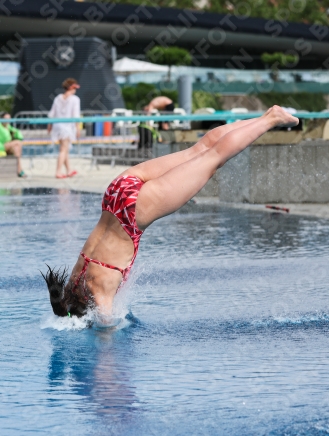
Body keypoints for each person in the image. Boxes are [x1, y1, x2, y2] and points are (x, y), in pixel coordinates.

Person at [42, 106, 299, 321]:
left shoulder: (100, 295)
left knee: (214, 158)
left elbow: (106, 330)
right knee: (199, 150)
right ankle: (266, 116)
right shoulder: (73, 283)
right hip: (115, 194)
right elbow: (62, 310)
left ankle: (272, 119)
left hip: (134, 212)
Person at [48, 77, 81, 179]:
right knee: (63, 149)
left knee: (64, 148)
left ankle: (69, 170)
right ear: (72, 88)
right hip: (66, 127)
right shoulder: (75, 99)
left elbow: (52, 114)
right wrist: (78, 128)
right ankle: (58, 171)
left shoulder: (58, 98)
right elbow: (76, 115)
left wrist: (49, 126)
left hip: (57, 126)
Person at [0, 112, 26, 177]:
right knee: (17, 143)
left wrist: (14, 133)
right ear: (2, 118)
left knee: (17, 147)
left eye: (9, 118)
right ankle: (19, 170)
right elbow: (4, 139)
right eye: (6, 118)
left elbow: (19, 135)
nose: (8, 120)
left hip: (6, 146)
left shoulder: (8, 126)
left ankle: (19, 169)